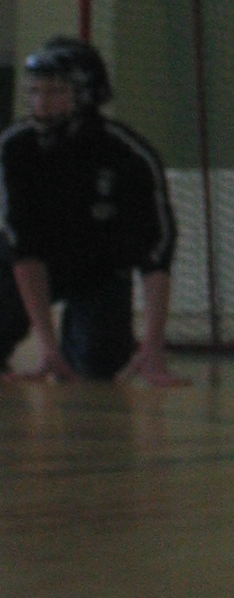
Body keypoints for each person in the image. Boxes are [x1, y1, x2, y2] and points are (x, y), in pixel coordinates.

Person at [1, 37, 184, 386]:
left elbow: (156, 254)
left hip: (99, 269)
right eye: (34, 92)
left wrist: (153, 344)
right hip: (32, 264)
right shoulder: (16, 146)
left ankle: (100, 346)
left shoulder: (127, 153)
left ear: (86, 95)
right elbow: (23, 248)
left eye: (55, 92)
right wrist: (47, 347)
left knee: (99, 364)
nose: (40, 104)